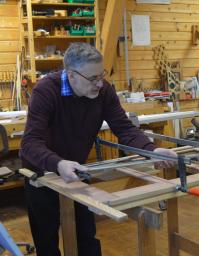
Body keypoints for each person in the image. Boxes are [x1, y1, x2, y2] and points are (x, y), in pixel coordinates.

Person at [20, 42, 177, 256]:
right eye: (92, 78)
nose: (100, 84)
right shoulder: (46, 91)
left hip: (75, 169)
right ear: (72, 75)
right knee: (46, 240)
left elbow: (124, 128)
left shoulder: (104, 91)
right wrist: (58, 163)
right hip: (41, 170)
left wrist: (151, 151)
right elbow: (30, 143)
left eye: (101, 75)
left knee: (86, 236)